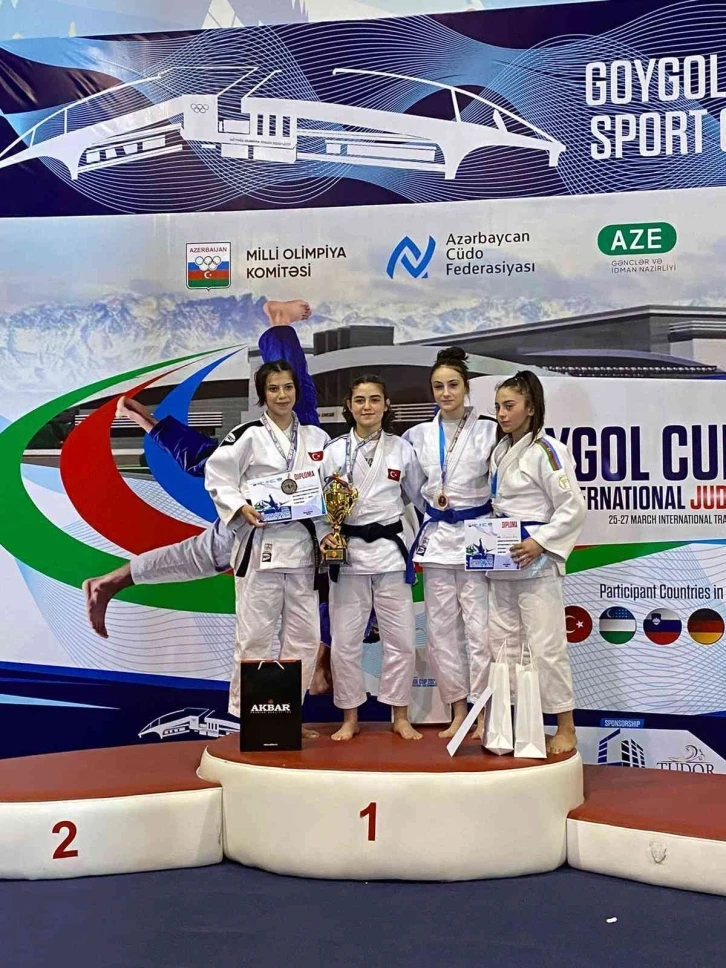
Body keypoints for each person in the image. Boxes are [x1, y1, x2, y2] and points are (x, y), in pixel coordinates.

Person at [204, 360, 330, 736]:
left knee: (304, 637)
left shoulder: (317, 438)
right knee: (255, 636)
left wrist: (328, 533)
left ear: (297, 391)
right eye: (273, 388)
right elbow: (217, 476)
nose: (281, 395)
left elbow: (329, 492)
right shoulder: (247, 436)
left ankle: (287, 717)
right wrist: (239, 506)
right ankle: (254, 720)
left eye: (288, 387)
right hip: (261, 547)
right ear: (263, 394)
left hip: (304, 551)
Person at [321, 375, 424, 741]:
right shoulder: (333, 452)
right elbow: (320, 504)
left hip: (390, 554)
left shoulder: (402, 450)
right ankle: (350, 716)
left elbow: (419, 498)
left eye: (375, 399)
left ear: (386, 405)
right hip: (348, 554)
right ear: (349, 407)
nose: (367, 406)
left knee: (401, 640)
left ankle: (400, 714)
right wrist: (326, 536)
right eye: (360, 400)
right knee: (345, 642)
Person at [489, 370, 586, 755]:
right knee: (505, 645)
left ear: (530, 408)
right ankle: (518, 724)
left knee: (546, 646)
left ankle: (565, 725)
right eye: (498, 407)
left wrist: (540, 542)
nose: (502, 414)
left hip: (536, 561)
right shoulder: (500, 451)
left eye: (509, 406)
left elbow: (573, 507)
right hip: (501, 558)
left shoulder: (548, 450)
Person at [403, 347, 497, 739]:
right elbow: (413, 489)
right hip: (439, 536)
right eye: (438, 386)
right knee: (441, 630)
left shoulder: (490, 430)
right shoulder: (417, 436)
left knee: (481, 629)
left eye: (453, 385)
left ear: (466, 387)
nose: (446, 393)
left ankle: (485, 711)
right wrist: (437, 510)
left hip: (479, 534)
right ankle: (458, 710)